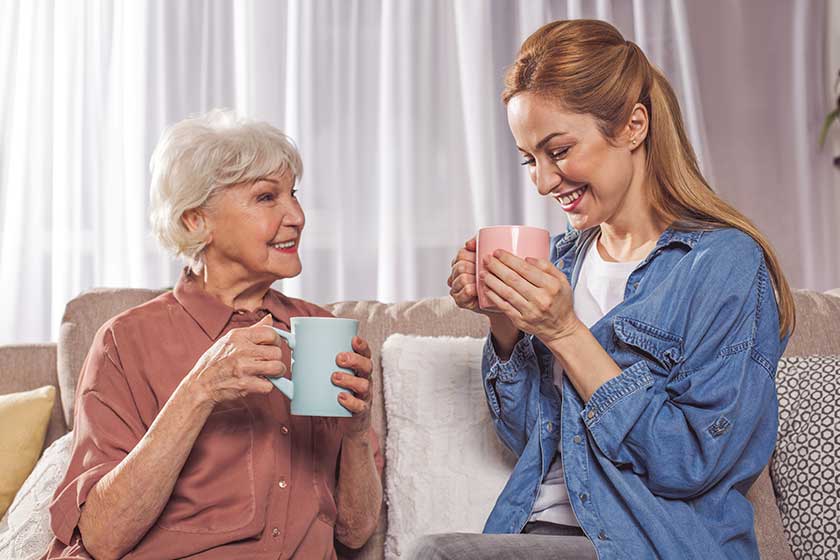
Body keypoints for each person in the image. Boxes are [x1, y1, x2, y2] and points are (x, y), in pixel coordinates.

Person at [433, 19, 794, 560]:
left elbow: (694, 461)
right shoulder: (562, 261)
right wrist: (503, 319)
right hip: (533, 534)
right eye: (530, 159)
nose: (543, 182)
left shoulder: (724, 265)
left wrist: (565, 331)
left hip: (647, 542)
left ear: (632, 126)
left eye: (558, 150)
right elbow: (527, 437)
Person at [44, 110, 383, 560]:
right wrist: (200, 390)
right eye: (266, 197)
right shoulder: (126, 343)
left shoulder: (319, 330)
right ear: (194, 222)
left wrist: (357, 431)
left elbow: (355, 533)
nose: (297, 216)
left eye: (293, 195)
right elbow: (104, 538)